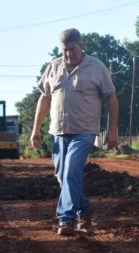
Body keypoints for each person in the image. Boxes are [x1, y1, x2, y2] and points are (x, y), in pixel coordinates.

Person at [30, 28, 119, 236]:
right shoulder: (53, 67)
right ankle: (85, 209)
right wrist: (36, 129)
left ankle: (66, 218)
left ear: (81, 46)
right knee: (63, 176)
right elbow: (44, 99)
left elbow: (111, 98)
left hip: (84, 131)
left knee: (71, 171)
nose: (68, 54)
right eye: (64, 50)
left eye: (72, 49)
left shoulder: (96, 67)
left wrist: (113, 129)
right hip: (58, 132)